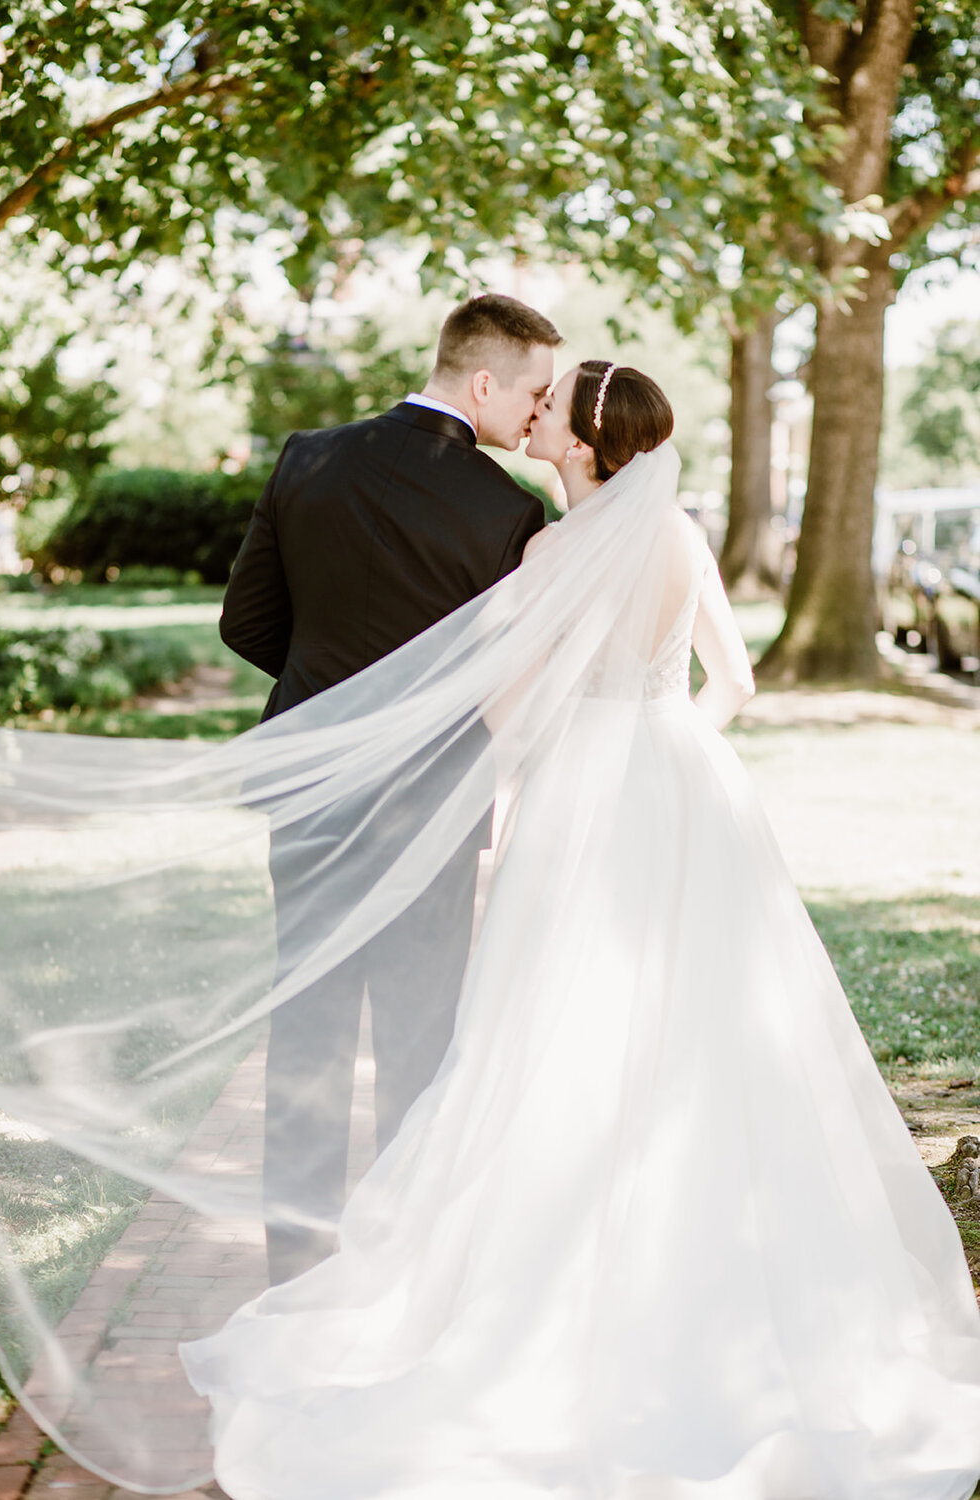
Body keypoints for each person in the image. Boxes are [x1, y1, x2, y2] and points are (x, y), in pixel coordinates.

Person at [178, 362, 980, 1500]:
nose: (535, 417)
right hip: (687, 788)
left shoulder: (553, 552)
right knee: (708, 1027)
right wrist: (667, 747)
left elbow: (509, 708)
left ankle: (549, 1276)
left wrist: (539, 787)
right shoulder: (685, 538)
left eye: (554, 411)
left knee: (553, 1028)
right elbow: (734, 683)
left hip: (577, 797)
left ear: (585, 444)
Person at [218, 293, 562, 1284]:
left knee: (309, 1023)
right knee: (420, 1028)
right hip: (435, 798)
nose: (537, 415)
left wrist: (340, 696)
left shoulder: (309, 457)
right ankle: (401, 1255)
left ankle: (294, 1256)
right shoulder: (507, 511)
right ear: (483, 379)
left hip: (312, 779)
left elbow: (247, 625)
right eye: (533, 393)